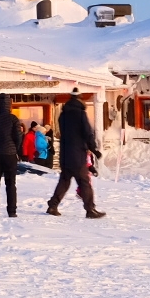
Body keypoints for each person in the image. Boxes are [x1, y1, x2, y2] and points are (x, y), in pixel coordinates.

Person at [47, 91, 105, 219]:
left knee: (64, 181)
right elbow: (87, 133)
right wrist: (93, 149)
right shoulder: (80, 114)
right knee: (84, 182)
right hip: (77, 154)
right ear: (80, 100)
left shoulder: (63, 115)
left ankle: (53, 205)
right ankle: (90, 209)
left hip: (65, 153)